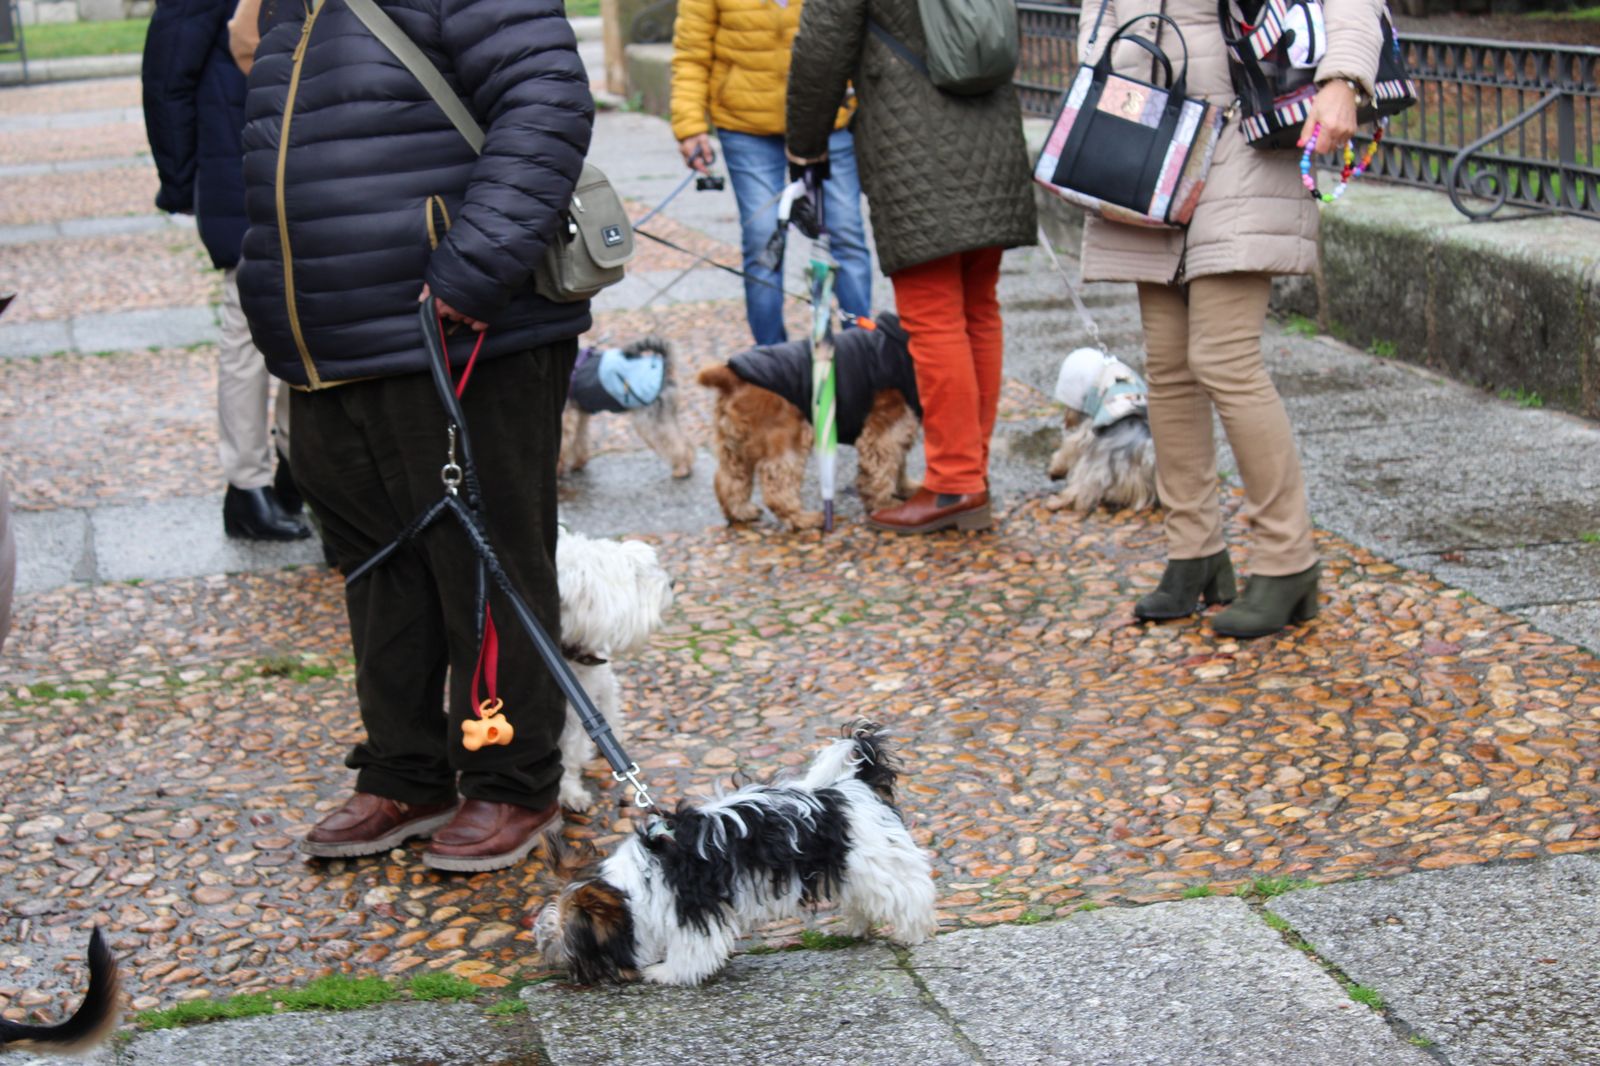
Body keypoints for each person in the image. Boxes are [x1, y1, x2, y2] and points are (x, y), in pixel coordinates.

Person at [237, 0, 593, 871]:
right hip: (335, 343)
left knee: (488, 563)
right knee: (377, 568)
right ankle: (407, 770)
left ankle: (513, 780)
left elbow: (547, 97)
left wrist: (472, 268)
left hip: (460, 327)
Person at [1076, 0, 1381, 638]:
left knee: (1223, 355)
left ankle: (1287, 558)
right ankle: (1195, 553)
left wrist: (1343, 79)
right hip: (1146, 134)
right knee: (1168, 361)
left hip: (1244, 126)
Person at [785, 0, 1037, 534]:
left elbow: (823, 44)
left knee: (933, 318)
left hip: (914, 132)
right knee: (978, 310)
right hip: (990, 126)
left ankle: (953, 481)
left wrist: (804, 146)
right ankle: (973, 470)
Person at [142, 0, 310, 543]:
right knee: (247, 324)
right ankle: (247, 485)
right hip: (238, 158)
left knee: (302, 310)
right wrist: (182, 179)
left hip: (279, 154)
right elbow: (167, 74)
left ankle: (290, 469)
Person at [671, 0, 874, 346]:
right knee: (762, 239)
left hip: (826, 120)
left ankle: (863, 352)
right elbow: (692, 51)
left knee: (845, 233)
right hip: (747, 126)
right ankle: (771, 362)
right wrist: (689, 125)